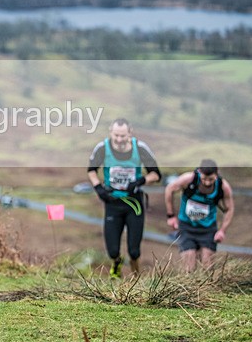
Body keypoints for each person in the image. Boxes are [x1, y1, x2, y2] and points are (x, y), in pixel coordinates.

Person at [87, 118, 161, 278]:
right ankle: (117, 263)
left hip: (134, 203)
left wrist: (141, 180)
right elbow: (91, 170)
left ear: (130, 133)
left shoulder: (140, 148)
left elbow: (156, 174)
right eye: (116, 136)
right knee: (112, 250)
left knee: (134, 250)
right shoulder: (102, 148)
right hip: (112, 202)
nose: (119, 140)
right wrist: (98, 188)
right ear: (110, 132)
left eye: (123, 136)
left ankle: (136, 278)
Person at [164, 159, 234, 272]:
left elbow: (230, 209)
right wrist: (170, 215)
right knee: (189, 267)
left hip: (208, 229)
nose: (207, 182)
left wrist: (222, 230)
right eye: (204, 179)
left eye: (211, 179)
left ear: (217, 174)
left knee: (207, 267)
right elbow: (169, 189)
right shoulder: (189, 179)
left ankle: (207, 288)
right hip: (186, 227)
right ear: (199, 172)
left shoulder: (223, 187)